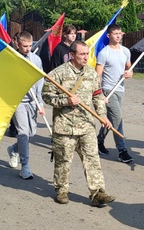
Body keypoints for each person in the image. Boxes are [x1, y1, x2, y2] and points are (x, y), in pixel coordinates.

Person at [42, 41, 115, 207]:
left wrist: (102, 116)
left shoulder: (91, 74)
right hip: (64, 126)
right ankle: (61, 190)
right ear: (72, 55)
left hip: (86, 126)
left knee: (92, 159)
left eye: (87, 54)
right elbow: (46, 96)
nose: (85, 57)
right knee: (63, 161)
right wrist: (65, 101)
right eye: (82, 54)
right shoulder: (57, 74)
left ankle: (98, 193)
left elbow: (97, 95)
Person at [6, 32, 45, 179]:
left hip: (32, 101)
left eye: (30, 46)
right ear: (17, 44)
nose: (28, 49)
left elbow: (39, 82)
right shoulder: (12, 59)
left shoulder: (36, 59)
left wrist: (40, 102)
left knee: (31, 133)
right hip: (18, 102)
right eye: (25, 46)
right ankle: (25, 166)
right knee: (23, 132)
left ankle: (14, 149)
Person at [95, 24, 134, 163]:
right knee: (117, 119)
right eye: (115, 33)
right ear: (109, 35)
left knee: (110, 119)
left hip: (120, 89)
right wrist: (100, 94)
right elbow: (97, 76)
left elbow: (129, 68)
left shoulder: (125, 51)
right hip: (107, 90)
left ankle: (98, 141)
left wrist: (130, 74)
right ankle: (122, 151)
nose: (118, 36)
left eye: (120, 33)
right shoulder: (104, 53)